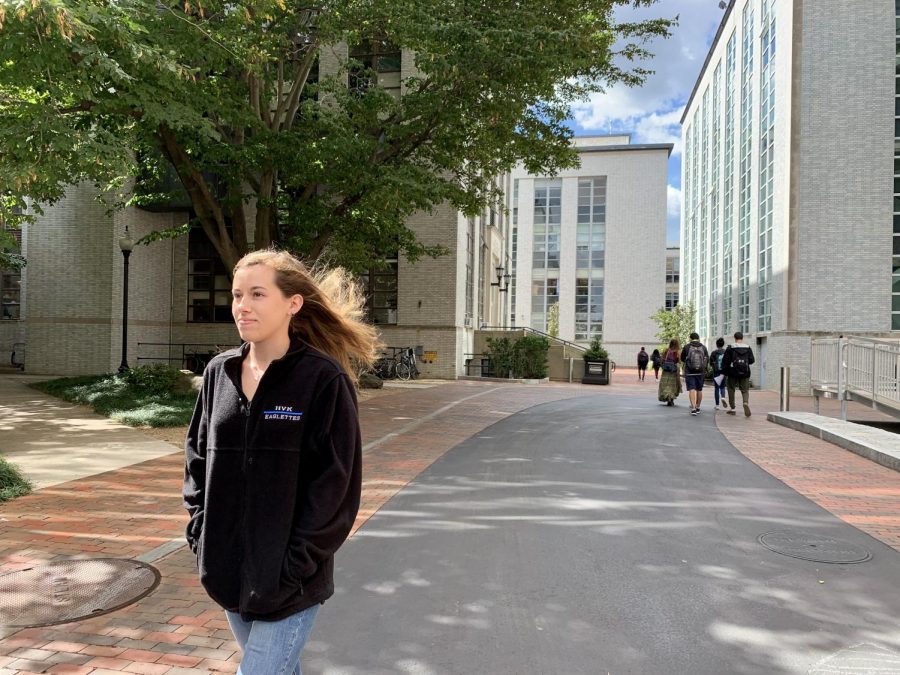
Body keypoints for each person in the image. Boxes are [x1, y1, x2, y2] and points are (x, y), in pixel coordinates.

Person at [183, 249, 379, 675]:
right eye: (237, 295)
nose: (242, 306)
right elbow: (196, 460)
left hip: (291, 581)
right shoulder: (220, 373)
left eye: (257, 293)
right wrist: (203, 538)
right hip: (228, 572)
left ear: (293, 303)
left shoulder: (323, 380)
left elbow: (337, 487)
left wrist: (294, 566)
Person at [722, 330, 755, 417]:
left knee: (731, 389)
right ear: (742, 338)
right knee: (745, 390)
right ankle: (745, 402)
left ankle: (733, 408)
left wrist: (724, 372)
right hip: (745, 372)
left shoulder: (730, 348)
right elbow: (752, 360)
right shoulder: (748, 348)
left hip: (732, 372)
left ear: (735, 338)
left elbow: (725, 361)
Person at [680, 332, 709, 416]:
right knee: (699, 389)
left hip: (690, 371)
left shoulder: (687, 347)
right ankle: (698, 407)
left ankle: (693, 408)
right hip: (701, 372)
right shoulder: (703, 347)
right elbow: (707, 359)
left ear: (690, 338)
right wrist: (705, 369)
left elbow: (682, 358)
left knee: (692, 389)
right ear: (698, 338)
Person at [657, 338, 682, 406]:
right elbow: (679, 361)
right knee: (672, 385)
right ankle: (671, 399)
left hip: (665, 371)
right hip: (673, 372)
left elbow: (662, 360)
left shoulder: (666, 350)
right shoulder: (677, 352)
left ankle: (667, 397)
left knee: (665, 384)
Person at [709, 337, 727, 410]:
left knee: (717, 388)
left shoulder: (714, 353)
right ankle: (723, 397)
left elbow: (710, 363)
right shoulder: (726, 352)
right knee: (722, 387)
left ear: (717, 345)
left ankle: (717, 405)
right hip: (724, 372)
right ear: (723, 344)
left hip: (716, 372)